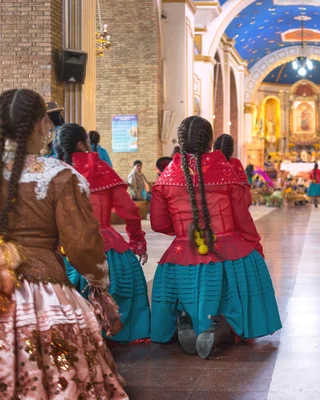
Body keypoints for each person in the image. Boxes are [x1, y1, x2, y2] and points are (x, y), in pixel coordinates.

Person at [0, 89, 125, 397]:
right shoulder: (59, 176)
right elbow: (81, 244)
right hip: (43, 291)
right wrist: (98, 283)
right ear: (43, 124)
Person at [150, 116, 281, 359]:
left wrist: (183, 235)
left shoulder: (166, 177)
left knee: (180, 295)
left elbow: (158, 223)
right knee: (237, 299)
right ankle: (221, 329)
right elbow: (242, 219)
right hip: (228, 251)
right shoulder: (227, 172)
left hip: (180, 255)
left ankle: (184, 320)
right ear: (211, 142)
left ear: (180, 142)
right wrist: (254, 245)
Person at [54, 123, 151, 344]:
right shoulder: (101, 169)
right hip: (106, 245)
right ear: (81, 144)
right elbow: (129, 211)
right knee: (129, 282)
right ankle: (123, 332)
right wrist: (137, 241)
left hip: (65, 248)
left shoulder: (54, 172)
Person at [214, 133, 251, 206]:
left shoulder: (209, 163)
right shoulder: (235, 163)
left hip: (213, 209)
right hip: (233, 208)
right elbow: (244, 189)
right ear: (231, 150)